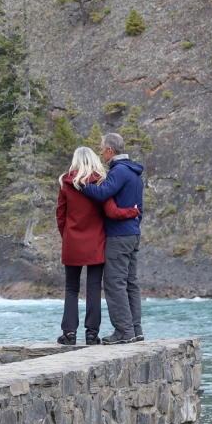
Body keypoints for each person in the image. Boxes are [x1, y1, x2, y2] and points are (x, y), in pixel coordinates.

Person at [55, 147, 139, 346]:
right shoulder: (100, 180)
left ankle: (69, 334)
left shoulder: (66, 181)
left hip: (72, 242)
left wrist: (67, 237)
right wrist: (133, 212)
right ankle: (92, 334)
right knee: (93, 288)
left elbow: (60, 215)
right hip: (96, 242)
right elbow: (111, 211)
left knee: (71, 288)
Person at [79, 133, 145, 345]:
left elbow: (102, 194)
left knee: (114, 283)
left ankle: (124, 332)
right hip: (133, 234)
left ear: (110, 150)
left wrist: (81, 185)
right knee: (130, 283)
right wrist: (133, 223)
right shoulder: (135, 174)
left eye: (101, 148)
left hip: (118, 235)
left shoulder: (119, 171)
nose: (100, 151)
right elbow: (139, 209)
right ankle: (135, 329)